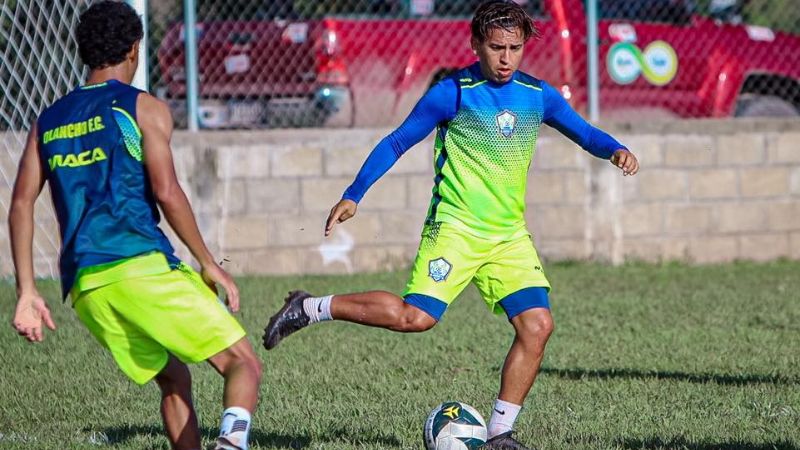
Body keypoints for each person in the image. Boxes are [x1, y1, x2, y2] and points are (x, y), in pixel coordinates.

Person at [263, 0, 639, 448]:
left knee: (537, 326)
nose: (505, 58)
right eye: (496, 47)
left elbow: (585, 132)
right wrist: (354, 194)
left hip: (507, 237)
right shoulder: (453, 92)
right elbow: (398, 140)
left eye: (514, 48)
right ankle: (309, 307)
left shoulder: (538, 95)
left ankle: (501, 434)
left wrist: (614, 148)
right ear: (476, 44)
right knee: (415, 318)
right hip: (455, 229)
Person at [8, 3, 261, 449]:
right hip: (139, 263)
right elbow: (167, 192)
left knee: (173, 376)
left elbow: (21, 203)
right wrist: (207, 262)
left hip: (88, 288)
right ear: (134, 50)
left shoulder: (49, 120)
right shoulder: (142, 108)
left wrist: (27, 291)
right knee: (242, 362)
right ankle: (232, 444)